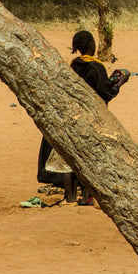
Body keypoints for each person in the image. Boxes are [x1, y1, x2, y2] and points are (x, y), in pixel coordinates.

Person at [30, 30, 130, 207]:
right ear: (92, 44)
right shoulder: (96, 67)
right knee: (90, 159)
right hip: (91, 120)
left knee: (70, 161)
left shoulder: (73, 65)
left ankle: (69, 199)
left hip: (72, 118)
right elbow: (105, 93)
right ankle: (86, 198)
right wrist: (120, 82)